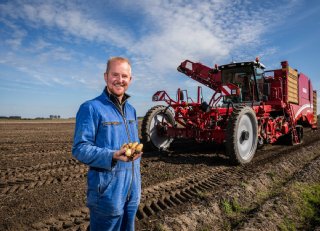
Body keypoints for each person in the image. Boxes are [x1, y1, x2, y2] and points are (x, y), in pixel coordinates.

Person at [72, 56, 142, 231]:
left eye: (124, 76)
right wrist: (111, 155)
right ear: (106, 77)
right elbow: (80, 148)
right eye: (115, 75)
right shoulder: (91, 108)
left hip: (132, 191)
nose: (120, 80)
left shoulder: (131, 110)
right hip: (107, 193)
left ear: (130, 80)